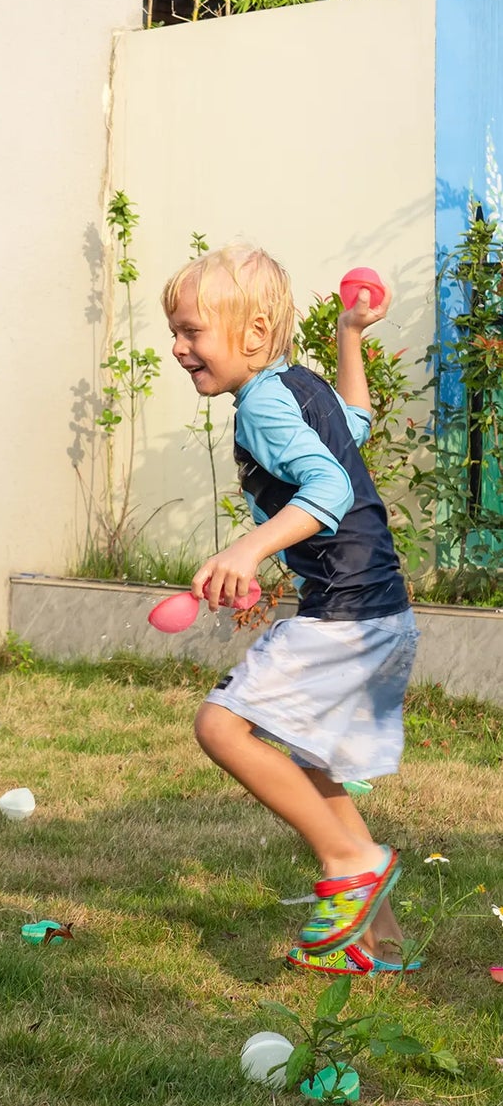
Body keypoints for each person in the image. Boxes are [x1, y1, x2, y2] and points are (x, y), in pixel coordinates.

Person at [164, 245, 420, 975]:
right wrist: (349, 335)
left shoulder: (263, 406)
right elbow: (356, 425)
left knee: (220, 726)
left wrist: (246, 549)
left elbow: (330, 487)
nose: (179, 349)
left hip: (345, 613)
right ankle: (378, 942)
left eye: (191, 332)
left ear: (250, 334)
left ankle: (349, 860)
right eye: (175, 334)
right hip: (378, 609)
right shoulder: (296, 384)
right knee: (313, 761)